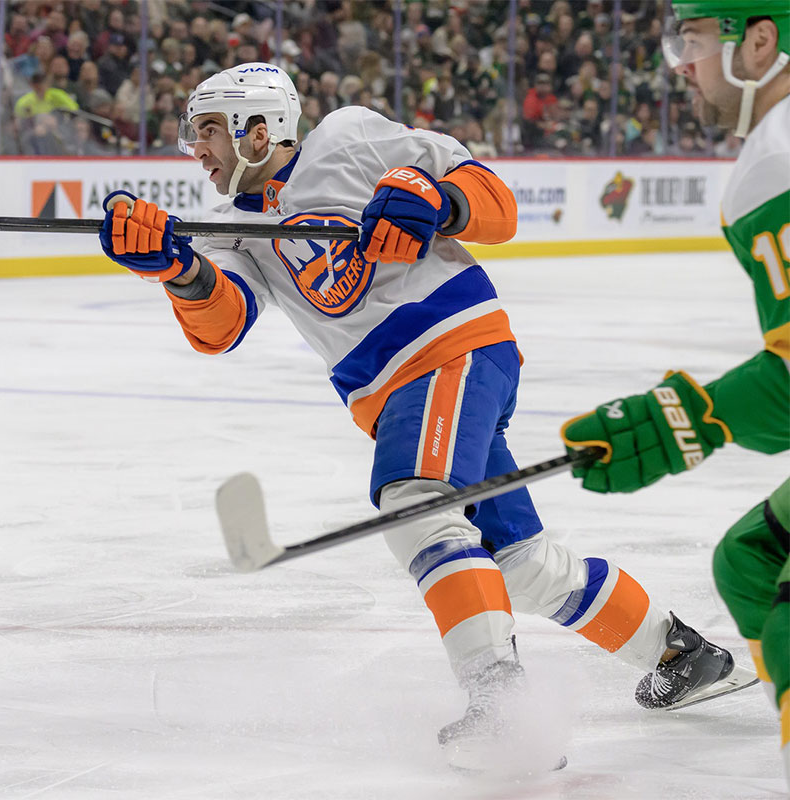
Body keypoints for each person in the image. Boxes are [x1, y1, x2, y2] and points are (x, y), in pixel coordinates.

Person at [97, 62, 748, 771]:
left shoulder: (348, 138)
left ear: (262, 128)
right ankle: (683, 655)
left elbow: (494, 202)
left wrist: (434, 198)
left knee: (417, 505)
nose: (196, 148)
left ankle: (502, 706)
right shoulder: (229, 229)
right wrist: (175, 269)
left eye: (209, 130)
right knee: (521, 564)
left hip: (447, 352)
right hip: (407, 391)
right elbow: (220, 325)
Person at [561, 1, 789, 785]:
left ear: (759, 41)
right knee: (753, 560)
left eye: (692, 41)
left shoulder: (780, 154)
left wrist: (689, 419)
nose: (678, 64)